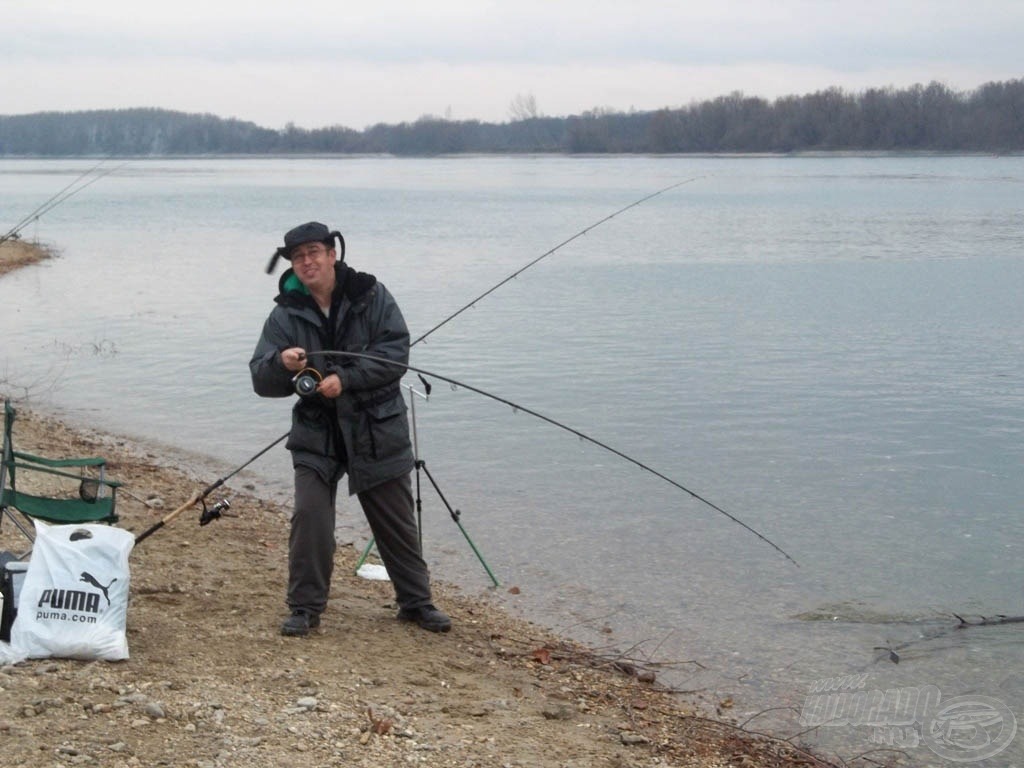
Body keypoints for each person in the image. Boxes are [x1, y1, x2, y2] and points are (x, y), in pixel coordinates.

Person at [250, 221, 451, 636]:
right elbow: (261, 380)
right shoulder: (284, 313)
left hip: (375, 428)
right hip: (316, 432)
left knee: (395, 520)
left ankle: (416, 603)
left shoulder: (371, 295)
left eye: (314, 253)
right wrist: (279, 364)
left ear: (332, 254)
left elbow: (395, 354)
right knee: (310, 516)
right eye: (298, 257)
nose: (307, 262)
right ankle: (305, 608)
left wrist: (348, 379)